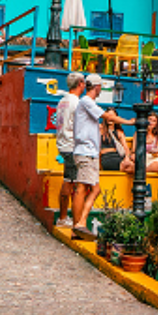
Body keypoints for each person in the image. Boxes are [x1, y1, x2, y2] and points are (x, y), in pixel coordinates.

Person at [70, 75, 129, 232]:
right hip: (85, 151)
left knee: (94, 189)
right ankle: (79, 225)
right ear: (97, 87)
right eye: (101, 86)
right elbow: (108, 116)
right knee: (82, 188)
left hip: (89, 152)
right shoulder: (87, 102)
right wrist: (131, 122)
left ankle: (80, 222)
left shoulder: (88, 103)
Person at [52, 72, 86, 228]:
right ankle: (64, 217)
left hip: (63, 143)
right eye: (84, 82)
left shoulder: (62, 101)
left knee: (70, 180)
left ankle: (65, 216)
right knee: (70, 182)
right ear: (80, 83)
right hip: (72, 145)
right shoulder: (76, 102)